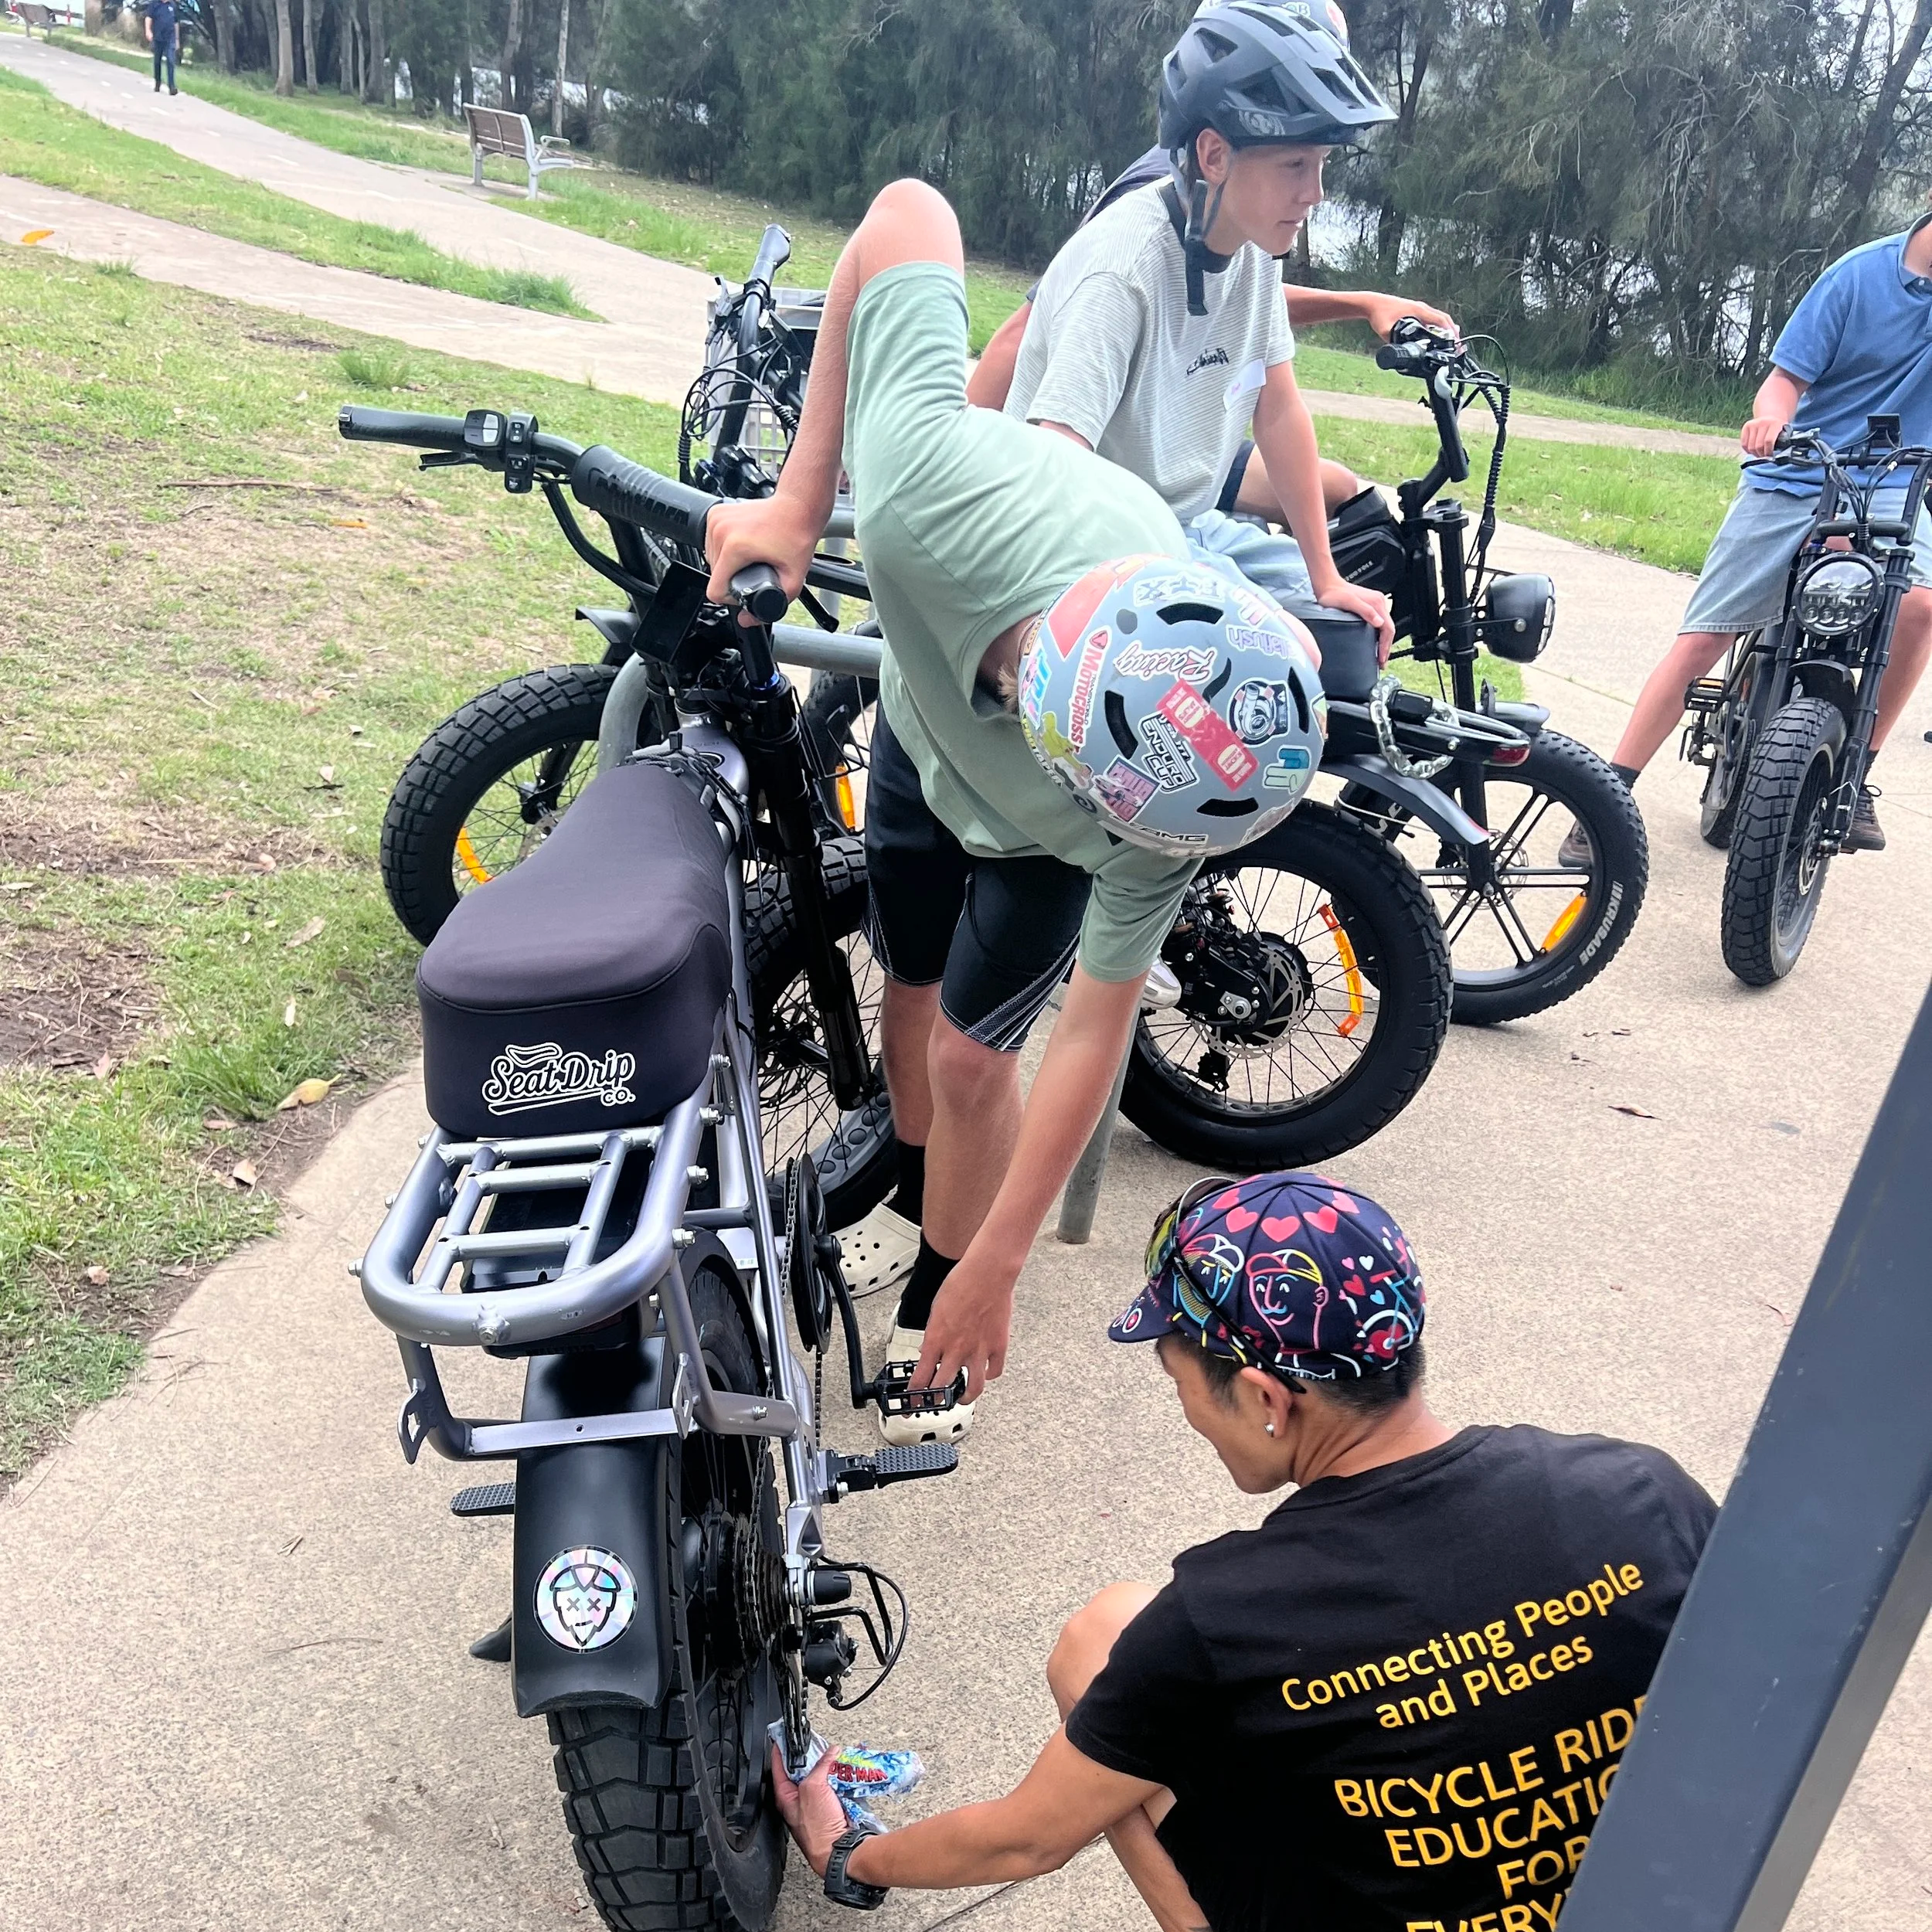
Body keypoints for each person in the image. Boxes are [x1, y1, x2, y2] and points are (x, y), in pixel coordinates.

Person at [705, 181, 1327, 1444]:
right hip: (924, 743)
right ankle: (921, 1189)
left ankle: (935, 1265)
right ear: (1039, 705)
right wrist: (802, 498)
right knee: (909, 997)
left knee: (979, 1057)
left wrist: (997, 1266)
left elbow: (1092, 1037)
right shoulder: (930, 482)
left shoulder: (1176, 807)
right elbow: (906, 213)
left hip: (1033, 839)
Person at [774, 1171, 1717, 1931]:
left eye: (1180, 1378)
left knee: (1102, 1643)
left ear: (1267, 1399)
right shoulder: (1639, 1488)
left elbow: (1022, 1843)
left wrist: (846, 1853)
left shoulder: (1227, 1615)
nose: (1186, 1412)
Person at [996, 2, 1401, 644]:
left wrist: (1326, 579)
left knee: (1340, 632)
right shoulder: (1124, 268)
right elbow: (1056, 470)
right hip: (1105, 553)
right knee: (1290, 655)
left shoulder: (1253, 249)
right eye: (1296, 165)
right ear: (1214, 155)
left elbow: (1278, 409)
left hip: (1187, 521)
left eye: (1322, 166)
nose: (1316, 193)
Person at [967, 0, 1458, 526]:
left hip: (1175, 436)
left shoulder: (1249, 206)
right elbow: (1031, 329)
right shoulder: (1165, 194)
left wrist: (1362, 304)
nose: (1313, 189)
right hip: (1120, 465)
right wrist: (958, 466)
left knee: (1337, 490)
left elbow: (1233, 299)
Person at [1583, 201, 1932, 859]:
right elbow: (1784, 381)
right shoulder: (1858, 276)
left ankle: (1856, 777)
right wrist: (1771, 423)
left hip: (1898, 481)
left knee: (1919, 606)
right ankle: (1606, 797)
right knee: (1704, 638)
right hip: (1800, 470)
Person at [143, 0, 180, 95]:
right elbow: (148, 18)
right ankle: (158, 82)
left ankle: (172, 86)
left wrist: (177, 39)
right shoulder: (154, 4)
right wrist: (148, 31)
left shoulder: (173, 6)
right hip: (158, 37)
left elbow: (176, 23)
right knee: (157, 61)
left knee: (171, 61)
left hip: (170, 38)